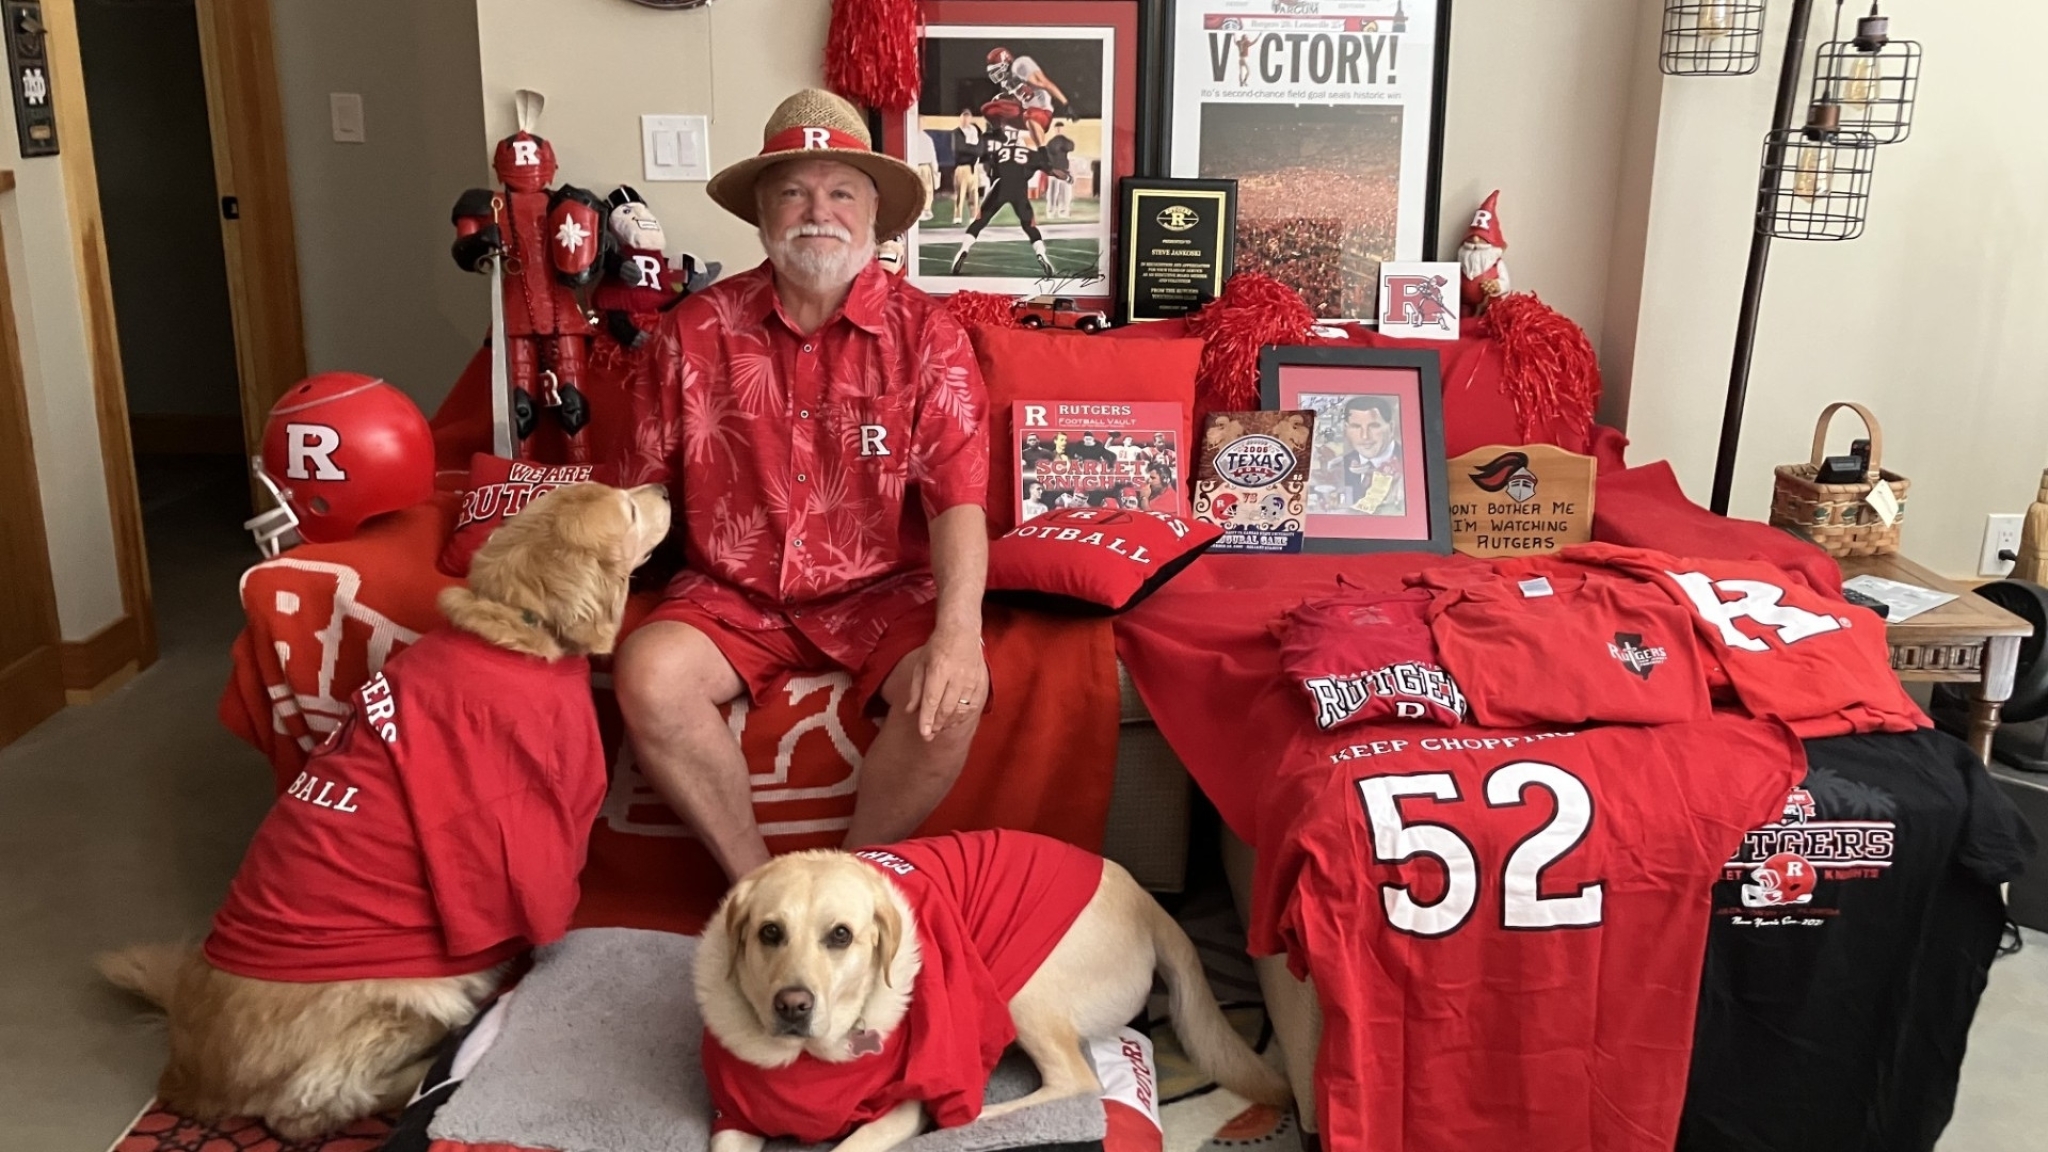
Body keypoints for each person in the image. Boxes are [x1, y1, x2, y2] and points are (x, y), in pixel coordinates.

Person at [615, 90, 992, 884]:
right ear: (761, 213)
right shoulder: (692, 330)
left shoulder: (931, 335)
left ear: (875, 214)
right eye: (793, 191)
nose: (818, 212)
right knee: (649, 674)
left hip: (883, 596)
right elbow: (638, 494)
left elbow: (957, 499)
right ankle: (758, 890)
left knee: (953, 696)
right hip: (731, 593)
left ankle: (839, 885)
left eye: (841, 192)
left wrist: (960, 633)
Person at [951, 101, 1059, 279]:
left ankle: (963, 250)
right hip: (1019, 189)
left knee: (980, 221)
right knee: (1029, 226)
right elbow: (1048, 168)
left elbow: (993, 170)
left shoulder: (999, 151)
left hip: (1000, 186)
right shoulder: (1029, 153)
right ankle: (1041, 254)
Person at [1317, 395, 1404, 515]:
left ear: (1391, 428)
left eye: (1374, 426)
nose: (1365, 436)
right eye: (1356, 426)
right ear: (1346, 429)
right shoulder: (1338, 466)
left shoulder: (1410, 465)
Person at [949, 109, 983, 226]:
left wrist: (971, 149)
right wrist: (973, 150)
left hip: (974, 167)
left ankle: (973, 216)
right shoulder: (957, 133)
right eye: (963, 117)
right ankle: (957, 216)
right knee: (960, 193)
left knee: (974, 194)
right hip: (962, 167)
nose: (965, 119)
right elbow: (959, 149)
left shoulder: (976, 131)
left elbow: (980, 149)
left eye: (967, 117)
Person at [1044, 121, 1077, 219]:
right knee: (1052, 193)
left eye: (1060, 128)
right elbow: (1049, 153)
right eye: (1057, 128)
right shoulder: (1051, 142)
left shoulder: (1063, 141)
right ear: (1055, 130)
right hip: (1054, 170)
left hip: (1063, 169)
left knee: (1064, 193)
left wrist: (1061, 139)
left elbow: (1071, 147)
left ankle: (1062, 212)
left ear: (1063, 129)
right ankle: (1051, 212)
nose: (1059, 130)